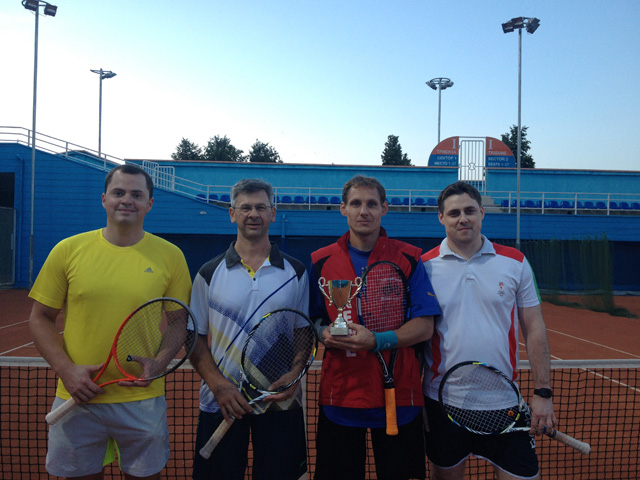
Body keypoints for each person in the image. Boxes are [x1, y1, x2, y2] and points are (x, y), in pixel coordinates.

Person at [29, 163, 192, 480]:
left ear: (149, 203)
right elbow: (40, 318)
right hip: (77, 395)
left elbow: (177, 322)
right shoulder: (68, 250)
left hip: (142, 398)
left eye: (136, 194)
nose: (126, 200)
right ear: (104, 199)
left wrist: (159, 363)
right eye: (118, 192)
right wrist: (66, 370)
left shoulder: (171, 255)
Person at [421, 181, 557, 480]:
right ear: (441, 218)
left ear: (481, 213)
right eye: (454, 213)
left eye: (470, 211)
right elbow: (418, 335)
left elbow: (534, 327)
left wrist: (543, 392)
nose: (463, 218)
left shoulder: (515, 262)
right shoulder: (424, 267)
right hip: (442, 401)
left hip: (503, 401)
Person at [309, 175, 441, 480]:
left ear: (384, 208)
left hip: (399, 397)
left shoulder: (409, 257)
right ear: (343, 208)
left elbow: (425, 326)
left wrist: (377, 341)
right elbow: (314, 319)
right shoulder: (320, 261)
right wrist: (324, 333)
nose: (363, 211)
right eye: (355, 203)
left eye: (371, 204)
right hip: (340, 396)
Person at [189, 178, 309, 480]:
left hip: (279, 399)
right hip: (221, 399)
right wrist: (218, 385)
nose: (253, 214)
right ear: (232, 214)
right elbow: (195, 338)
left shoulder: (296, 272)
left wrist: (295, 375)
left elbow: (302, 331)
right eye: (245, 208)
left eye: (261, 207)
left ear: (273, 213)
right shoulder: (208, 272)